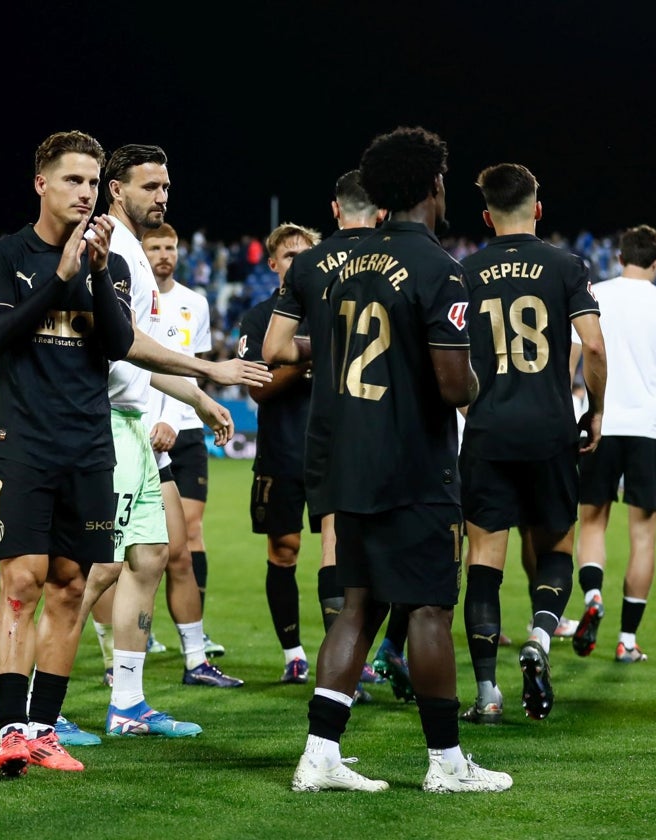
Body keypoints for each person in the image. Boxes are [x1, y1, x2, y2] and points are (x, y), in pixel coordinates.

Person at [290, 125, 511, 793]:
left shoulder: (344, 264)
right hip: (412, 466)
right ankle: (446, 763)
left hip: (346, 459)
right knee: (428, 610)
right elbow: (451, 384)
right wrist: (480, 382)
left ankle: (320, 755)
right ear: (434, 187)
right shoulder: (441, 268)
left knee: (357, 606)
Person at [70, 143, 265, 742]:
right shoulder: (111, 252)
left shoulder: (131, 255)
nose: (160, 197)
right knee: (95, 568)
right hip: (103, 423)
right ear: (117, 190)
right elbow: (121, 344)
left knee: (151, 555)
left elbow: (141, 353)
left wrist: (199, 401)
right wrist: (211, 373)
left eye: (165, 187)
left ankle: (128, 704)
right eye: (149, 187)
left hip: (133, 425)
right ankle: (34, 696)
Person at [0, 130, 137, 776]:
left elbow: (120, 344)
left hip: (89, 447)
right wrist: (60, 278)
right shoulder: (7, 255)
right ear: (41, 183)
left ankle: (43, 730)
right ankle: (11, 728)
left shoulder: (113, 264)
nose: (85, 193)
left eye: (93, 183)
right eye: (73, 180)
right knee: (21, 581)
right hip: (24, 444)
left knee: (71, 585)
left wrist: (94, 274)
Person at [456, 163, 605, 724]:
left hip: (489, 430)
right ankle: (540, 637)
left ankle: (488, 694)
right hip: (549, 429)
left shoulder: (465, 271)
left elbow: (449, 363)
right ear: (537, 209)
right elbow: (592, 347)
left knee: (484, 562)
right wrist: (594, 412)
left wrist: (473, 408)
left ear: (486, 214)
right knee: (556, 550)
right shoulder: (567, 265)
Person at [259, 172, 413, 704]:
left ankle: (339, 680)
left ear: (334, 209)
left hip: (325, 433)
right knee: (391, 556)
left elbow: (274, 349)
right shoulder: (399, 261)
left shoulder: (309, 270)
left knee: (335, 551)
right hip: (377, 433)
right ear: (386, 209)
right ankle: (378, 659)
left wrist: (320, 347)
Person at [571, 224, 656, 664]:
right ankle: (627, 641)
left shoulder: (597, 294)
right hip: (650, 427)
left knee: (591, 521)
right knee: (643, 535)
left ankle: (592, 595)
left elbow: (575, 356)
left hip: (600, 419)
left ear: (621, 256)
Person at [143, 221, 230, 663]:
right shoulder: (132, 296)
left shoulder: (194, 303)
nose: (164, 254)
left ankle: (193, 635)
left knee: (188, 534)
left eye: (170, 246)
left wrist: (176, 421)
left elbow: (193, 371)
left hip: (185, 432)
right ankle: (142, 626)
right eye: (155, 246)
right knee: (140, 542)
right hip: (139, 430)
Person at [238, 222, 321, 684]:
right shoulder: (257, 319)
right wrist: (308, 356)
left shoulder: (337, 308)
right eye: (289, 255)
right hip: (282, 452)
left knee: (343, 553)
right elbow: (260, 390)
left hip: (337, 452)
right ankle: (293, 651)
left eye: (305, 254)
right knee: (284, 550)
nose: (296, 262)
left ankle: (346, 654)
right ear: (273, 264)